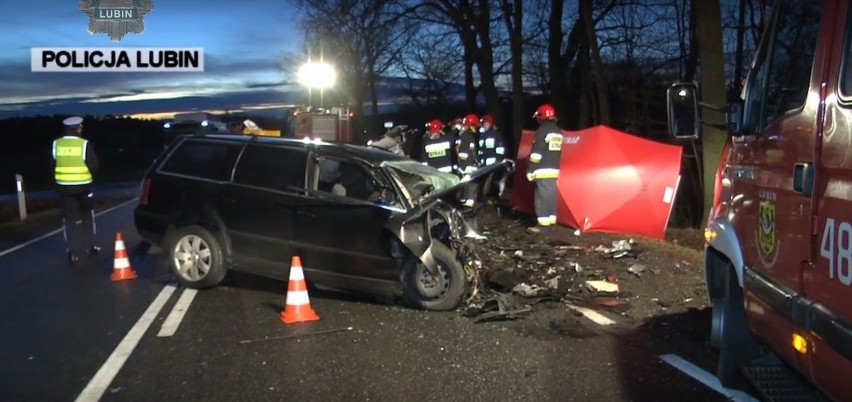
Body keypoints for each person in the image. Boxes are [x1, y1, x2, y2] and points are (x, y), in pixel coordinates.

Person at [52, 116, 101, 265]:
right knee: (87, 215)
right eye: (80, 127)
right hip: (83, 186)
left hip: (64, 187)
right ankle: (90, 245)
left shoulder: (56, 144)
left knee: (69, 219)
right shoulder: (84, 144)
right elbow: (94, 164)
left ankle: (72, 252)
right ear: (77, 128)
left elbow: (53, 162)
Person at [526, 104, 563, 232]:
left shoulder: (542, 130)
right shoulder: (557, 131)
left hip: (542, 168)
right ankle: (551, 222)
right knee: (551, 195)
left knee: (541, 196)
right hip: (554, 168)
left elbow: (537, 153)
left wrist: (531, 169)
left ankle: (542, 225)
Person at [477, 114, 507, 198]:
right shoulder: (482, 135)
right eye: (484, 123)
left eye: (486, 123)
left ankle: (494, 198)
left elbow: (500, 148)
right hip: (484, 164)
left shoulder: (495, 134)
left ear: (491, 124)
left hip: (494, 164)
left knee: (494, 182)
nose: (485, 125)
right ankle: (486, 198)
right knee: (486, 183)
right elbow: (481, 150)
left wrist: (499, 161)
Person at [456, 114, 480, 207]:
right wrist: (475, 161)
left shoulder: (461, 135)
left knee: (465, 184)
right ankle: (468, 202)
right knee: (471, 184)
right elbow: (472, 151)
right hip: (469, 164)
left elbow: (458, 150)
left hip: (463, 164)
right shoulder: (469, 136)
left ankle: (464, 200)